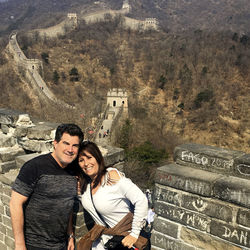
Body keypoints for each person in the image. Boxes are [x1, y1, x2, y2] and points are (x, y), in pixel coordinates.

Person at [9, 123, 84, 250]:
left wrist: (70, 234)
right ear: (55, 143)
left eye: (75, 145)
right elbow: (15, 203)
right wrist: (20, 244)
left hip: (61, 244)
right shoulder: (34, 167)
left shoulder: (73, 171)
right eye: (66, 143)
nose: (70, 149)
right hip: (34, 245)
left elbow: (67, 205)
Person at [77, 141, 149, 250]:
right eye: (81, 160)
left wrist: (134, 234)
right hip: (104, 241)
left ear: (98, 158)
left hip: (124, 240)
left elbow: (141, 200)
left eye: (89, 157)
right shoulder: (85, 185)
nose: (86, 163)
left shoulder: (112, 178)